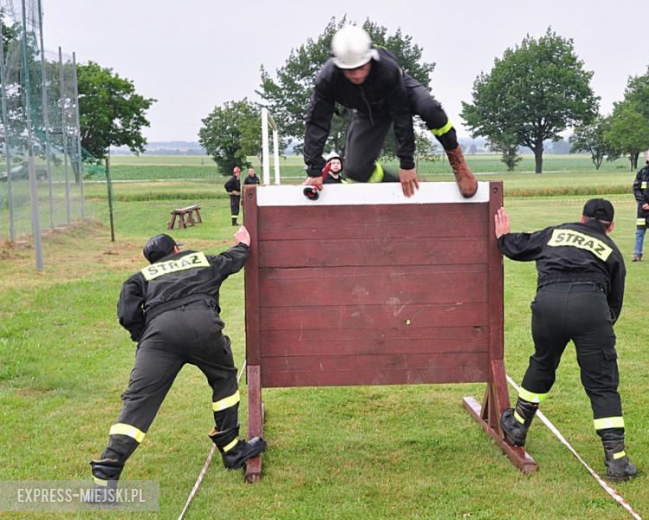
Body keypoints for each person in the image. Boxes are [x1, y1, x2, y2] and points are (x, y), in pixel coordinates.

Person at [89, 229, 266, 498]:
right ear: (175, 251)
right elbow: (232, 260)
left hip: (159, 336)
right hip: (202, 325)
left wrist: (143, 336)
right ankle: (232, 450)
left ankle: (105, 478)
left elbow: (127, 312)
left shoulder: (140, 277)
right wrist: (243, 243)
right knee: (224, 380)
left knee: (138, 403)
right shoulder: (198, 259)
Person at [494, 199, 637, 482]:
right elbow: (615, 301)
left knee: (543, 363)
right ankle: (617, 460)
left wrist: (503, 237)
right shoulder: (612, 251)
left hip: (548, 301)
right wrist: (600, 329)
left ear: (581, 219)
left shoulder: (556, 232)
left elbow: (518, 247)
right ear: (611, 227)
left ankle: (518, 425)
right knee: (602, 382)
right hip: (592, 307)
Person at [302, 25, 477, 199]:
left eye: (361, 67)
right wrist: (315, 169)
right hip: (369, 110)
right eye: (349, 70)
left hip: (400, 91)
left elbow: (402, 114)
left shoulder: (387, 69)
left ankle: (457, 160)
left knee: (430, 110)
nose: (356, 75)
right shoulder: (327, 79)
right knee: (355, 169)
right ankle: (395, 185)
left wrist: (406, 164)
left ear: (369, 59)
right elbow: (317, 122)